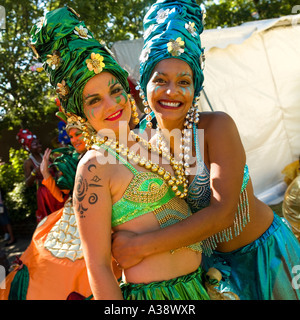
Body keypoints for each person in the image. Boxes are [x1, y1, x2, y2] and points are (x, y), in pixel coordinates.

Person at [25, 6, 240, 301]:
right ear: (79, 114)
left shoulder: (151, 138)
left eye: (115, 91)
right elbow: (98, 266)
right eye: (95, 100)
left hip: (197, 286)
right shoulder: (94, 167)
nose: (112, 105)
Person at [111, 0, 300, 300]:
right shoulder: (140, 144)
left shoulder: (216, 128)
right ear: (144, 83)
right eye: (160, 80)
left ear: (196, 87)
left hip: (266, 258)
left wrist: (140, 247)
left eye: (183, 81)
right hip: (210, 273)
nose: (172, 91)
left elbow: (222, 214)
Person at [0, 122, 93, 300]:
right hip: (46, 193)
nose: (73, 140)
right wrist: (41, 173)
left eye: (77, 135)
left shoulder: (96, 155)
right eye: (70, 136)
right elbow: (32, 184)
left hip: (84, 213)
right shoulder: (31, 162)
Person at [16, 129, 65, 223]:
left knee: (61, 216)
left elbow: (56, 171)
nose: (39, 146)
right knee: (50, 218)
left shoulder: (47, 157)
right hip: (44, 193)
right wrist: (35, 172)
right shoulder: (28, 163)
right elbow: (28, 183)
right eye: (35, 144)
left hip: (56, 188)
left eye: (39, 143)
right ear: (28, 147)